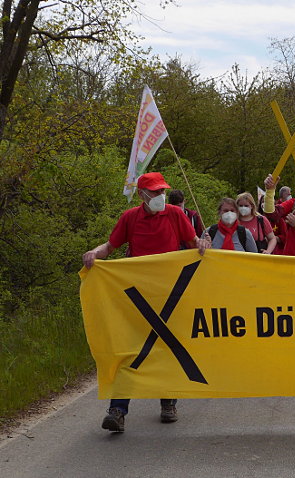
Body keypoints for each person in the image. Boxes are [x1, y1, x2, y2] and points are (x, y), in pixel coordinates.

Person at [82, 172, 211, 433]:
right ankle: (117, 410)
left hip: (172, 294)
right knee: (130, 349)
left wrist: (203, 245)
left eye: (163, 191)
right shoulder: (130, 217)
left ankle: (168, 402)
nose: (160, 196)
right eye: (155, 192)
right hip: (137, 297)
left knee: (168, 348)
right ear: (142, 194)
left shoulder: (176, 214)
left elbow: (193, 243)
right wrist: (94, 254)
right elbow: (110, 246)